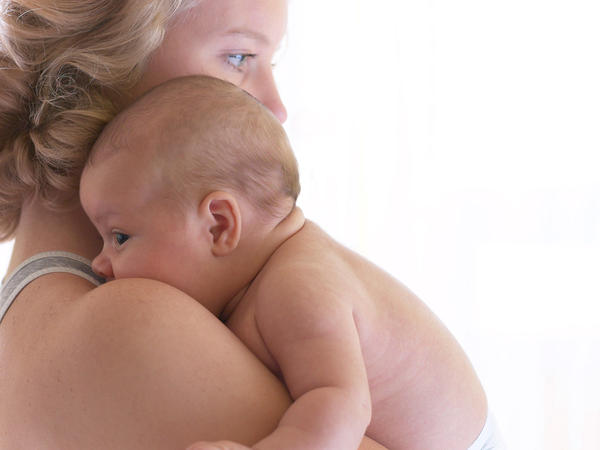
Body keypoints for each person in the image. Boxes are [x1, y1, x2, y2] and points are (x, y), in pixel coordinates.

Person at [0, 1, 384, 448]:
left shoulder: (36, 319)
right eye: (239, 57)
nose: (277, 108)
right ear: (99, 61)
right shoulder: (124, 323)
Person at [81, 75, 502, 450]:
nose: (99, 263)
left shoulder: (297, 287)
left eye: (120, 237)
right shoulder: (259, 280)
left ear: (218, 225)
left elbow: (339, 404)